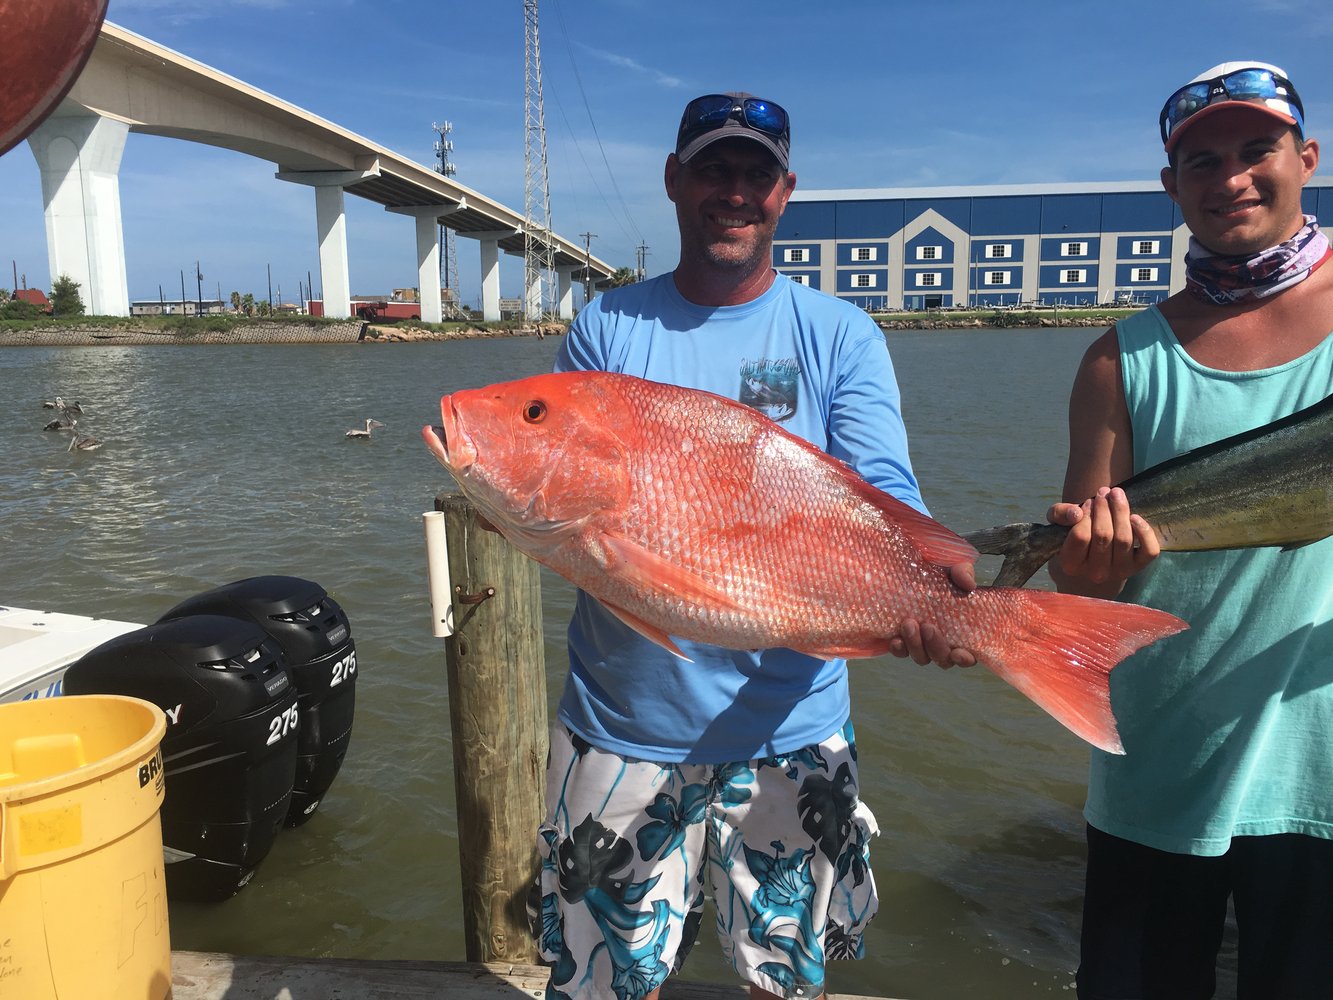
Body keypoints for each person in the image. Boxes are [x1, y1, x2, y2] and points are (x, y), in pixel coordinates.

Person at [527, 92, 975, 1000]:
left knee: (785, 983)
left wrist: (938, 593)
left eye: (754, 173)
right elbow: (570, 507)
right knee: (598, 981)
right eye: (712, 169)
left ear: (784, 191)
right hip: (619, 729)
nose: (733, 192)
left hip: (793, 737)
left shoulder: (837, 332)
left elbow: (884, 491)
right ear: (674, 181)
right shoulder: (608, 329)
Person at [1046, 62, 1333, 998]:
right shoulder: (1118, 357)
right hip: (1158, 767)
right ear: (1171, 188)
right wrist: (1086, 562)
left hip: (1318, 776)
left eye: (1258, 151)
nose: (1231, 179)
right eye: (1200, 162)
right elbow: (1078, 590)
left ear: (1307, 158)